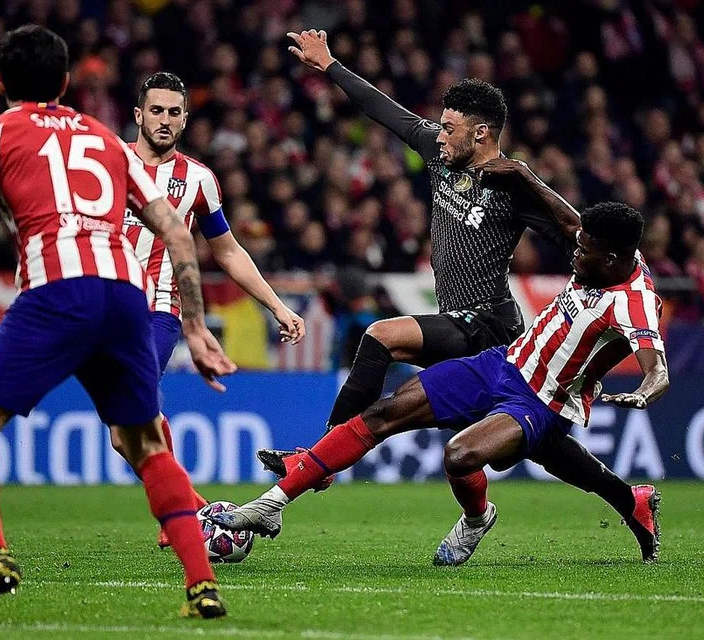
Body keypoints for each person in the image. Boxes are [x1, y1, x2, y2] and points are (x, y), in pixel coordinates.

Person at [259, 32, 655, 559]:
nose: (438, 134)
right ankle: (628, 499)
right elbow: (387, 112)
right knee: (547, 450)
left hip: (494, 325)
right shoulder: (441, 157)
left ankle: (322, 462)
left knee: (384, 337)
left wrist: (527, 176)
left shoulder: (510, 186)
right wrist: (330, 65)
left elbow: (582, 233)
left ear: (482, 132)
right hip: (458, 322)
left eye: (449, 127)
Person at [0, 25, 236, 621]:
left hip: (57, 291)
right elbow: (172, 227)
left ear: (0, 82)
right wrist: (193, 326)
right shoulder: (106, 138)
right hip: (125, 297)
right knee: (144, 442)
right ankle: (202, 584)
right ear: (66, 83)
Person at [214, 202, 667, 568]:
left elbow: (656, 367)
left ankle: (476, 519)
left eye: (583, 249)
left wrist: (645, 390)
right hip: (502, 364)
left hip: (543, 403)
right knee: (384, 413)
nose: (574, 252)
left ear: (610, 259)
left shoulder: (635, 302)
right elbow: (568, 219)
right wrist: (524, 178)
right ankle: (272, 503)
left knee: (461, 455)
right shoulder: (605, 252)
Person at [115, 71, 306, 549]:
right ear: (139, 115)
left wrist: (276, 306)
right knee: (124, 436)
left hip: (159, 308)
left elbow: (228, 251)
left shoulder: (198, 180)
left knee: (134, 416)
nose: (164, 120)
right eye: (155, 110)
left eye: (173, 112)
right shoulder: (107, 163)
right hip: (105, 308)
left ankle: (178, 514)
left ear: (185, 119)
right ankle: (191, 507)